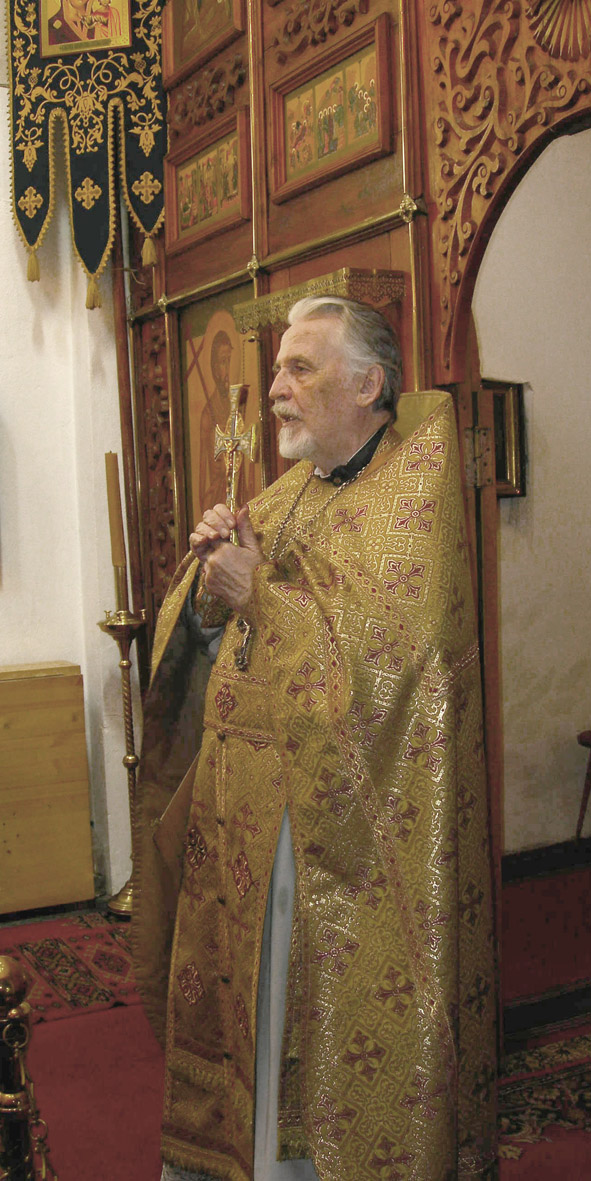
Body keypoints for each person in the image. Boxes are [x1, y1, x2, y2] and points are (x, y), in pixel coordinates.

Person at [133, 296, 497, 1181]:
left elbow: (392, 671)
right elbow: (217, 641)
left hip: (340, 844)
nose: (276, 388)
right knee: (252, 1014)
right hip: (243, 831)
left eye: (300, 367)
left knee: (307, 1015)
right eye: (277, 369)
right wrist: (210, 589)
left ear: (368, 384)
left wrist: (256, 592)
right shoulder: (285, 494)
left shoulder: (411, 501)